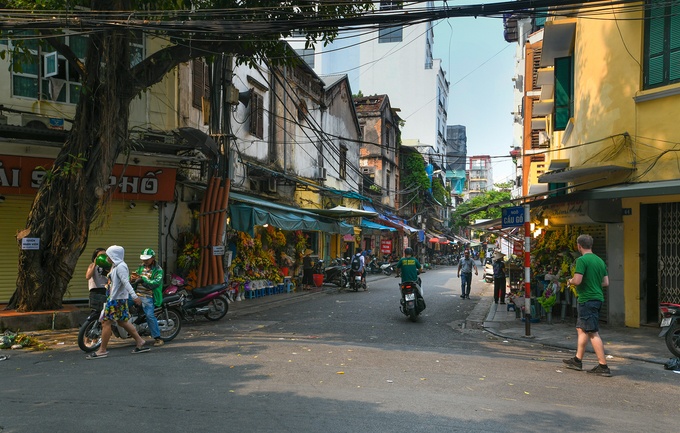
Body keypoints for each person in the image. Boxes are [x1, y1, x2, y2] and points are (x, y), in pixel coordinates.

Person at [86, 245, 150, 359]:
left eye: (109, 256)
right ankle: (140, 342)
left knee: (106, 323)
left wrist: (135, 297)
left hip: (116, 300)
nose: (107, 258)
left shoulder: (121, 267)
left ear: (114, 256)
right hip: (117, 299)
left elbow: (126, 283)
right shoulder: (115, 266)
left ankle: (102, 350)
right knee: (122, 322)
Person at [563, 234, 612, 377]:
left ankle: (603, 366)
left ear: (579, 246)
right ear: (591, 245)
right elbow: (606, 282)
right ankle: (577, 360)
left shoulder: (582, 260)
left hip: (587, 299)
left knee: (592, 332)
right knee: (581, 329)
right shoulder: (599, 260)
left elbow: (577, 280)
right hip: (597, 298)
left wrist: (570, 281)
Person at [133, 248, 165, 347]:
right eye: (143, 259)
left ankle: (157, 338)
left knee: (149, 315)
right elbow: (136, 276)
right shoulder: (141, 267)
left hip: (148, 296)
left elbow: (156, 283)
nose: (145, 261)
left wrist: (143, 280)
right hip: (136, 294)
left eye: (147, 259)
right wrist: (133, 278)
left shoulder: (158, 270)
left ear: (153, 258)